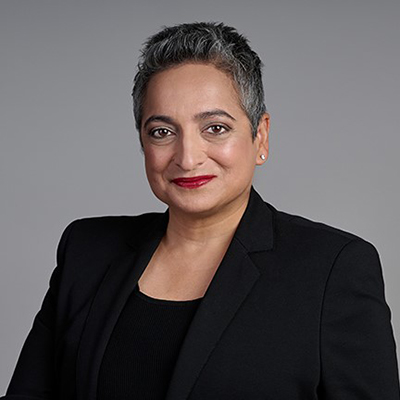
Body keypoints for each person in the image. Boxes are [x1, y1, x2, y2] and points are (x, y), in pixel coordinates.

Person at [2, 21, 399, 400]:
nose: (188, 158)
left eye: (215, 128)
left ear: (259, 136)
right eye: (162, 132)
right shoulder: (87, 251)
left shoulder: (333, 269)